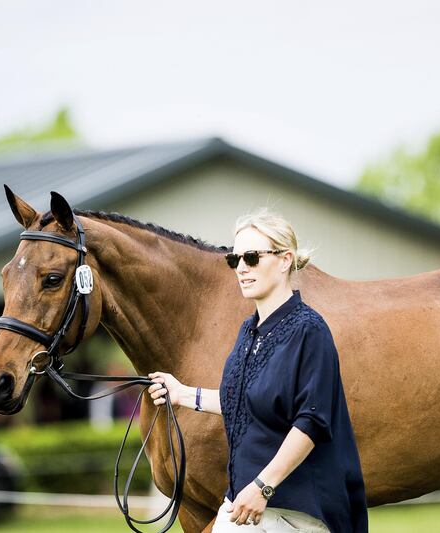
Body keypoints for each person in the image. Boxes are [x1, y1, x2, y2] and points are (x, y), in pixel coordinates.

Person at [148, 208, 368, 532]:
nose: (241, 269)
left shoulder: (309, 330)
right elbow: (242, 401)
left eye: (251, 257)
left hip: (293, 511)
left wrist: (263, 486)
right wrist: (181, 393)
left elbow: (311, 422)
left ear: (284, 259)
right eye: (234, 260)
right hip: (243, 505)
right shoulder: (248, 331)